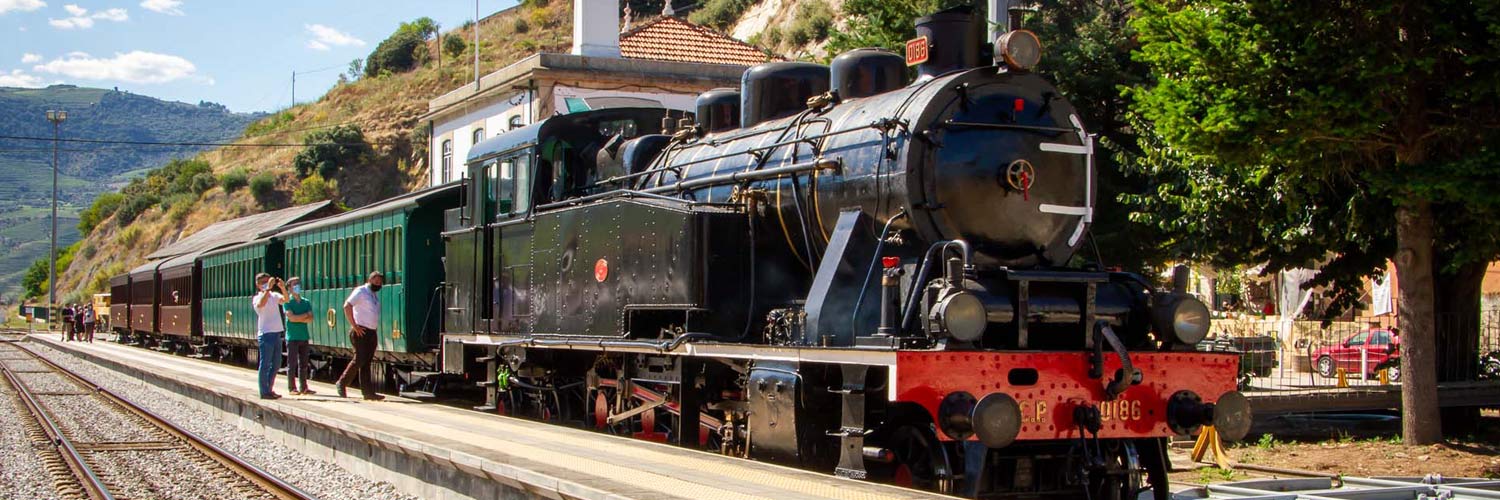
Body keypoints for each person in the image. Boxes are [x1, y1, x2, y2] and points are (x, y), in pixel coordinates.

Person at [336, 271, 384, 401]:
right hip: (360, 331)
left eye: (380, 282)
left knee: (366, 362)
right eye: (377, 281)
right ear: (371, 279)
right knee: (359, 359)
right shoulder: (361, 291)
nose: (379, 284)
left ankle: (368, 393)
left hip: (371, 332)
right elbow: (347, 306)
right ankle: (342, 382)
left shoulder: (373, 295)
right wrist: (354, 325)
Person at [252, 272, 290, 400]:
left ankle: (269, 388)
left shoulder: (274, 296)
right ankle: (264, 391)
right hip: (265, 334)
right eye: (263, 282)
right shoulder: (257, 298)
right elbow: (261, 305)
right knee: (265, 364)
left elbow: (286, 300)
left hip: (276, 332)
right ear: (258, 285)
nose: (266, 284)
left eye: (267, 281)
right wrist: (268, 288)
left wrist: (283, 288)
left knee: (276, 364)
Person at [282, 277, 316, 396]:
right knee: (292, 364)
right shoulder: (287, 302)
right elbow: (291, 318)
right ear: (289, 288)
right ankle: (292, 388)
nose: (297, 286)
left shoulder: (306, 301)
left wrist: (298, 318)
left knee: (303, 364)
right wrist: (304, 316)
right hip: (292, 337)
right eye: (294, 284)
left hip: (304, 336)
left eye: (298, 284)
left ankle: (304, 387)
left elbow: (311, 318)